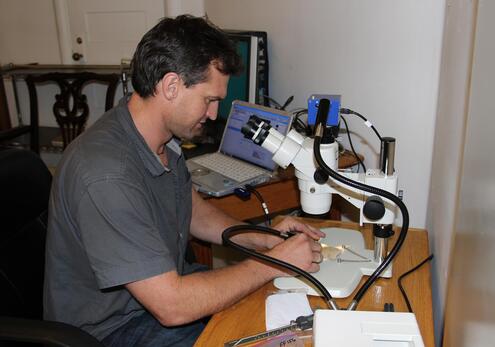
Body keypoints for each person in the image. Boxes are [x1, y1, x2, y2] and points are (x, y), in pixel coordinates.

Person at [44, 15, 324, 346]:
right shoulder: (106, 174)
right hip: (110, 330)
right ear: (171, 86)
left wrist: (263, 239)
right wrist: (271, 264)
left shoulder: (161, 141)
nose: (213, 114)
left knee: (285, 319)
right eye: (209, 100)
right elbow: (173, 307)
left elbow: (196, 213)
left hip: (157, 298)